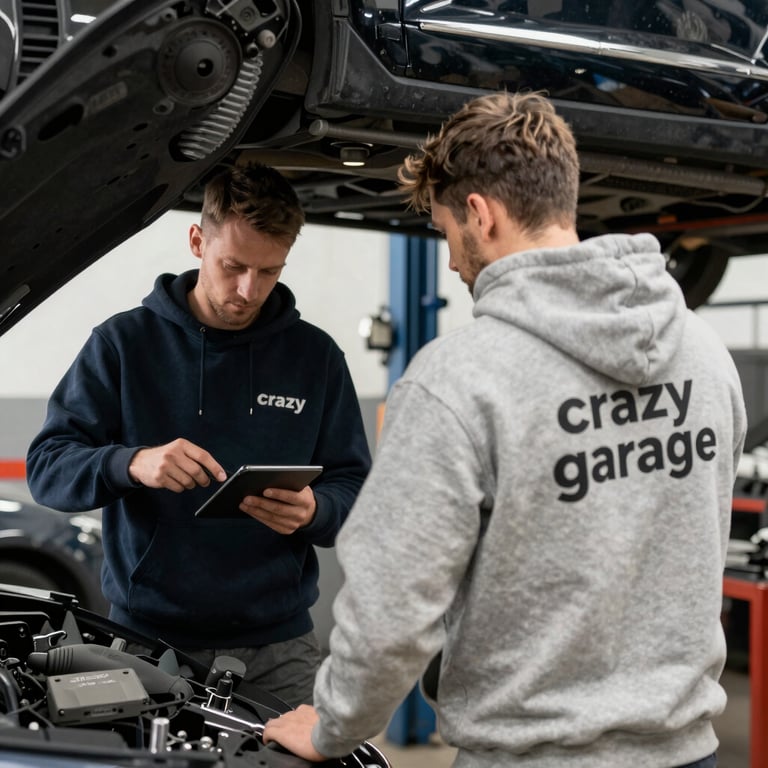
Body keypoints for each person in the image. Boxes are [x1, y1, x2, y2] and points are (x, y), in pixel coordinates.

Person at [262, 91, 748, 766]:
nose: (455, 265)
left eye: (445, 234)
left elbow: (392, 610)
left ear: (481, 216)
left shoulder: (457, 379)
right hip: (685, 753)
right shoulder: (703, 352)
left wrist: (333, 727)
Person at [25, 162, 372, 707]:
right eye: (233, 266)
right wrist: (131, 464)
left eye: (269, 272)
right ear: (196, 240)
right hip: (145, 642)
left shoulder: (316, 358)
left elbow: (356, 488)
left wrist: (314, 511)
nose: (247, 290)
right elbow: (47, 469)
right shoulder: (123, 345)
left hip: (279, 646)